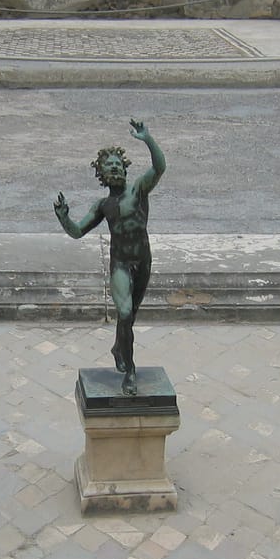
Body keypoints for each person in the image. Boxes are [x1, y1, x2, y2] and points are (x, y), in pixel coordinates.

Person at [54, 119, 166, 395]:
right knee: (125, 313)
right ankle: (130, 371)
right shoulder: (103, 205)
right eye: (108, 166)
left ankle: (118, 347)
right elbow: (78, 231)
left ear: (125, 168)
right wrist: (64, 218)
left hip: (143, 262)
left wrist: (148, 139)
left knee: (130, 316)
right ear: (101, 175)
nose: (114, 168)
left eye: (117, 164)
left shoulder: (139, 190)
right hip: (120, 264)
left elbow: (160, 167)